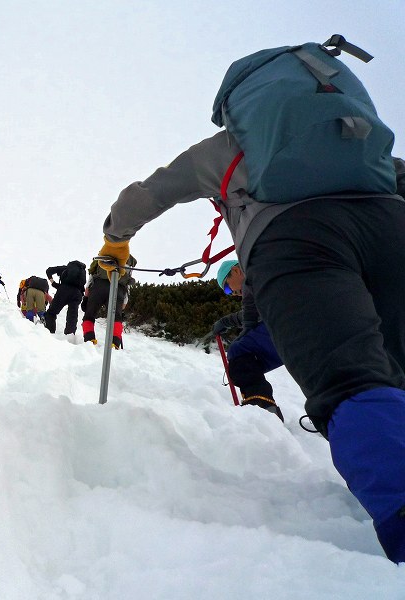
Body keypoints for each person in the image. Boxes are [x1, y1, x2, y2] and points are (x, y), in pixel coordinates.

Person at [96, 66, 405, 562]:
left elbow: (150, 193)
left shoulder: (230, 147)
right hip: (391, 225)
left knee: (351, 381)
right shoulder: (349, 140)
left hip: (298, 240)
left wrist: (115, 237)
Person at [209, 259, 284, 421]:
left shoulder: (256, 276)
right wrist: (226, 322)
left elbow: (256, 313)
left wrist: (225, 322)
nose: (233, 294)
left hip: (287, 323)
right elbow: (254, 313)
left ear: (236, 271)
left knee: (239, 351)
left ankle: (261, 405)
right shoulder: (261, 278)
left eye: (228, 288)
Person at [81, 255, 136, 348]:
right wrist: (121, 307)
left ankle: (89, 341)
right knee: (116, 318)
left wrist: (86, 298)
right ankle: (115, 344)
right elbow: (127, 285)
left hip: (99, 285)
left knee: (89, 315)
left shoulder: (103, 256)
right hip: (119, 288)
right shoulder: (127, 260)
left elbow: (90, 279)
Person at [44, 261, 87, 335]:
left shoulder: (65, 268)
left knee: (51, 313)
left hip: (63, 291)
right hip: (77, 293)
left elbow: (49, 271)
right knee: (72, 316)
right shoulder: (82, 273)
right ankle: (70, 335)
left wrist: (53, 283)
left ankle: (50, 332)